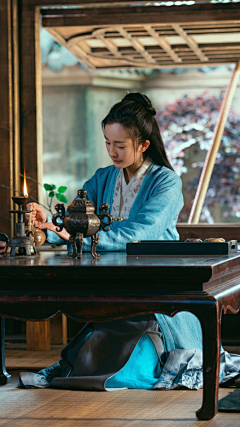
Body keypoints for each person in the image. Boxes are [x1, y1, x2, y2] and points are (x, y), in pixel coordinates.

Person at [1, 92, 240, 390]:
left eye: (120, 145)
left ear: (143, 145)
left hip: (161, 281)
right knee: (95, 348)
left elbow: (141, 233)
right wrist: (47, 225)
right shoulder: (102, 179)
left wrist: (80, 237)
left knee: (134, 357)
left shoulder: (165, 181)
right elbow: (77, 221)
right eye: (107, 143)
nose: (112, 152)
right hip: (115, 277)